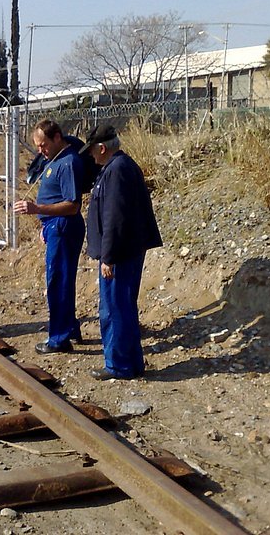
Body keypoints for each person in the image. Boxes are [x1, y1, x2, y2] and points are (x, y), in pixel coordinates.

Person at [80, 124, 163, 380]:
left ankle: (119, 365)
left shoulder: (116, 170)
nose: (92, 157)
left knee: (114, 308)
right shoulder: (120, 167)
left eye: (93, 152)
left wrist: (108, 257)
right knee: (122, 306)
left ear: (102, 148)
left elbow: (114, 218)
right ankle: (131, 363)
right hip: (126, 250)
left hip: (120, 253)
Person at [15, 119, 85, 354]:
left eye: (43, 145)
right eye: (37, 146)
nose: (40, 150)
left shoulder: (68, 163)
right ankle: (70, 327)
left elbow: (72, 205)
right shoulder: (52, 160)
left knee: (58, 282)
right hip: (55, 227)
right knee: (62, 281)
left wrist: (37, 209)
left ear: (57, 138)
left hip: (64, 227)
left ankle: (59, 338)